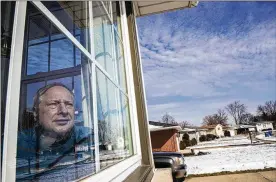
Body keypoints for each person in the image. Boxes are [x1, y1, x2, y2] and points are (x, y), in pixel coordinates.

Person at [16, 83, 94, 181]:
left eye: (69, 104)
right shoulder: (15, 144)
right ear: (36, 112)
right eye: (53, 104)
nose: (64, 111)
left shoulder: (88, 136)